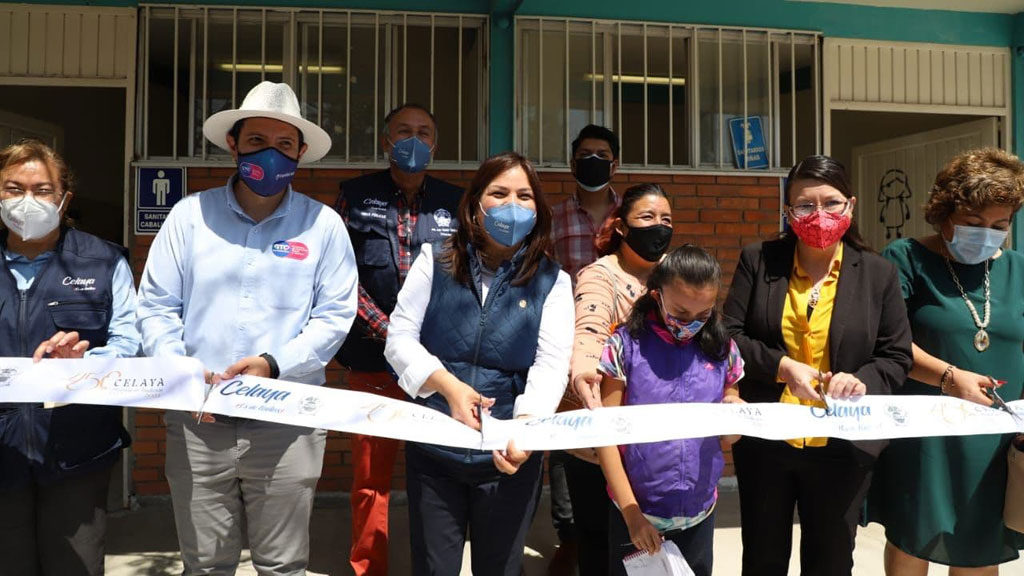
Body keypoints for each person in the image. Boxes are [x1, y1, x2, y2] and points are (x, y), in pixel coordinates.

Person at [136, 81, 358, 575]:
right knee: (205, 565)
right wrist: (185, 375)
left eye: (284, 145)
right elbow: (154, 307)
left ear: (301, 153)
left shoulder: (323, 227)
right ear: (233, 144)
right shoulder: (188, 218)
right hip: (199, 419)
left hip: (287, 421)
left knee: (282, 565)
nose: (271, 155)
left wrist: (274, 365)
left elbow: (334, 316)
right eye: (257, 141)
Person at [722, 154, 913, 576]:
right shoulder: (759, 260)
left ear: (851, 205)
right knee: (762, 557)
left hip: (842, 446)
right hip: (768, 441)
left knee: (830, 561)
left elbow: (897, 354)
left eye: (830, 202)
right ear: (788, 211)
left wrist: (861, 380)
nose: (819, 214)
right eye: (805, 205)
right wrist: (783, 367)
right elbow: (730, 335)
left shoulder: (878, 274)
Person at [384, 151, 573, 575]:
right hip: (435, 449)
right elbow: (398, 339)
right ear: (475, 204)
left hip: (508, 458)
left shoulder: (553, 281)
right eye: (499, 193)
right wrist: (447, 387)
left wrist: (523, 432)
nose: (513, 204)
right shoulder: (434, 260)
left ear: (538, 208)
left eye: (525, 196)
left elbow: (550, 364)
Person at [867, 148, 1024, 575]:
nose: (986, 233)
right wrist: (950, 377)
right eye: (974, 223)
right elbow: (891, 341)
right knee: (914, 543)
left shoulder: (1017, 270)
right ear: (944, 213)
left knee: (979, 547)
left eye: (1000, 225)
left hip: (994, 438)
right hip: (925, 435)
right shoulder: (907, 258)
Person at [334, 103, 463, 576]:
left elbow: (466, 279)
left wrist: (421, 348)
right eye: (403, 132)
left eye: (423, 132)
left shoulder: (456, 200)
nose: (414, 139)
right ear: (386, 142)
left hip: (439, 367)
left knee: (440, 475)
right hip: (373, 360)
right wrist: (394, 337)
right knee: (372, 477)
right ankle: (369, 568)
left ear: (436, 144)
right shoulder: (354, 194)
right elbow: (340, 278)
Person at [0, 140, 140, 576]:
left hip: (77, 452)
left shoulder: (104, 262)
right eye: (13, 188)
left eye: (42, 190)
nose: (27, 200)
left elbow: (129, 343)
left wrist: (87, 361)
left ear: (64, 199)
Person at [597, 245, 744, 576]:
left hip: (699, 511)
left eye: (703, 314)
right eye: (680, 312)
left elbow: (727, 438)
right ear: (656, 294)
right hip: (636, 512)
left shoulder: (722, 349)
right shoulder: (625, 345)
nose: (690, 324)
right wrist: (632, 515)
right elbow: (604, 435)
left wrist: (736, 415)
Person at [563, 182, 673, 575]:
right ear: (622, 226)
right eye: (647, 218)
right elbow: (589, 328)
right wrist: (586, 372)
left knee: (648, 549)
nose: (658, 227)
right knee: (601, 547)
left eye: (666, 219)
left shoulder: (673, 275)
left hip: (653, 446)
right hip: (599, 444)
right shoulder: (600, 275)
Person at [548, 123, 621, 573]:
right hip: (563, 345)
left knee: (614, 433)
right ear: (573, 161)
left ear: (616, 163)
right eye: (586, 153)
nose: (594, 159)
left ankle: (617, 519)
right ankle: (570, 535)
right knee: (565, 439)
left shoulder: (630, 214)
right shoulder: (553, 217)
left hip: (622, 349)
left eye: (602, 153)